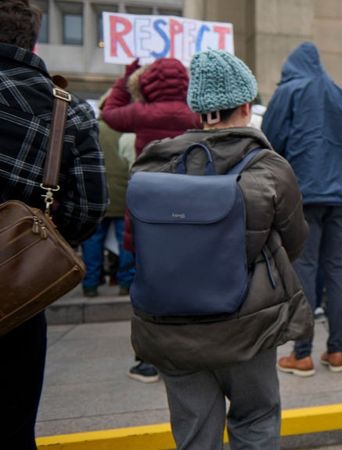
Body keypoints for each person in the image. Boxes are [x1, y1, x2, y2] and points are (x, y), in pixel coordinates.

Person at [129, 49, 309, 450]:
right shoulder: (269, 166)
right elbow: (295, 240)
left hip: (168, 325)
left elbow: (135, 242)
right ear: (246, 105)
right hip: (245, 323)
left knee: (193, 432)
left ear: (199, 109)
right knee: (256, 419)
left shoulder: (152, 164)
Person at [0, 2, 106, 448]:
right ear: (34, 41)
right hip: (17, 289)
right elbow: (88, 207)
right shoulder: (68, 109)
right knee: (15, 426)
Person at [263, 42, 342, 376]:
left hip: (303, 192)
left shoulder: (290, 90)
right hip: (339, 196)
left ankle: (302, 353)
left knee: (304, 268)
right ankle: (337, 351)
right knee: (336, 269)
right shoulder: (341, 95)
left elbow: (269, 141)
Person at [102, 55, 201, 384]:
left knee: (146, 287)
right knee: (185, 282)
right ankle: (184, 352)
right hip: (188, 210)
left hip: (148, 212)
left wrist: (126, 78)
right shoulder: (194, 115)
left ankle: (147, 361)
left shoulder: (141, 113)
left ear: (148, 83)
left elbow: (109, 112)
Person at [80, 91, 136, 298]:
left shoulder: (93, 128)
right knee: (126, 242)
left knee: (93, 242)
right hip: (125, 195)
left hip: (96, 194)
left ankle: (91, 284)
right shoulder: (128, 131)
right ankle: (126, 283)